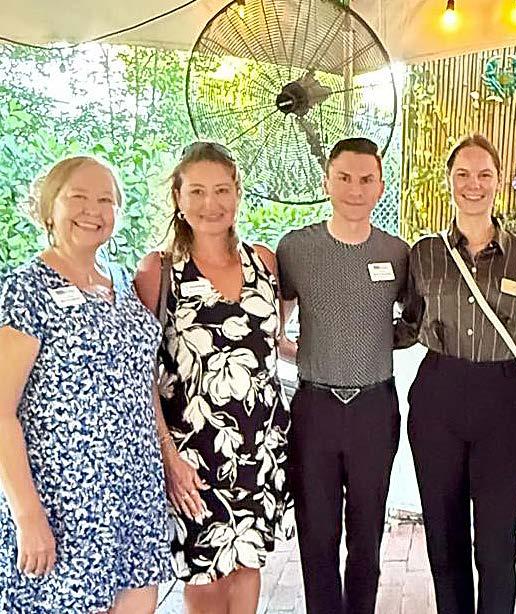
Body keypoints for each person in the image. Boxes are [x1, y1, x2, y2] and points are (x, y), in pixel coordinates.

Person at [0, 155, 173, 613]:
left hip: (135, 490)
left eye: (105, 200)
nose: (92, 210)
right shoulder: (27, 289)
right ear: (49, 206)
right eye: (78, 197)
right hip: (65, 499)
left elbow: (139, 379)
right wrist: (27, 514)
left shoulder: (120, 281)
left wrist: (166, 455)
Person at [135, 141, 295, 614]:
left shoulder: (264, 261)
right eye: (198, 191)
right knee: (204, 573)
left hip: (261, 442)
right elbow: (142, 374)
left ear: (237, 193)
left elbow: (271, 341)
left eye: (222, 190)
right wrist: (169, 458)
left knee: (247, 560)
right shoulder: (159, 271)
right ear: (178, 198)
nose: (211, 203)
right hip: (194, 450)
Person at [399, 133, 516, 614]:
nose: (473, 184)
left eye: (484, 174)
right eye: (463, 174)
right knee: (443, 537)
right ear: (448, 181)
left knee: (496, 542)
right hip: (438, 397)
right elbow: (408, 324)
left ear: (499, 182)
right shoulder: (424, 253)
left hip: (502, 400)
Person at [276, 137, 409, 614]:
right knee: (317, 535)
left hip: (375, 408)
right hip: (315, 409)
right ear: (327, 182)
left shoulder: (397, 253)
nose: (355, 189)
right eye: (345, 178)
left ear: (380, 187)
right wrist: (306, 354)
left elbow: (414, 320)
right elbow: (273, 326)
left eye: (366, 179)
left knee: (367, 536)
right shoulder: (296, 249)